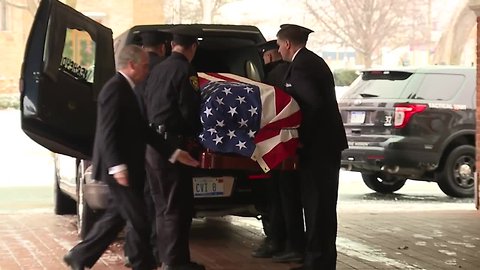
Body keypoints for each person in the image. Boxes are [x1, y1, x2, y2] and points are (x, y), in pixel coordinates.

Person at [62, 44, 200, 270]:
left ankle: (81, 256)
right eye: (145, 66)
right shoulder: (114, 89)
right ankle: (139, 262)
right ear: (132, 65)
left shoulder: (128, 89)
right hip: (118, 168)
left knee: (117, 217)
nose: (148, 70)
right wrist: (117, 167)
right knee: (139, 218)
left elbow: (144, 131)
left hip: (128, 166)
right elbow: (106, 131)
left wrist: (174, 153)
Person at [275, 24, 348, 270]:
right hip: (323, 146)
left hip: (319, 147)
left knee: (318, 207)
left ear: (287, 44)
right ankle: (319, 260)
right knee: (319, 206)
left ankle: (318, 263)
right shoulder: (308, 62)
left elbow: (313, 105)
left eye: (278, 45)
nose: (277, 50)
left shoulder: (303, 65)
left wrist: (301, 138)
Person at [143, 25, 204, 270]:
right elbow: (189, 111)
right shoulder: (185, 70)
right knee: (177, 207)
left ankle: (169, 258)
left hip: (153, 144)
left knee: (162, 206)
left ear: (171, 45)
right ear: (194, 47)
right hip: (174, 146)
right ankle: (176, 263)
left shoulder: (157, 69)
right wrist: (197, 136)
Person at [251, 40, 305, 264]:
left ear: (269, 57)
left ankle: (285, 243)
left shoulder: (272, 77)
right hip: (289, 144)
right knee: (288, 197)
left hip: (277, 146)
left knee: (281, 197)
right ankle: (286, 243)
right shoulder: (292, 72)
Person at [124, 29, 172, 269]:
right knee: (156, 202)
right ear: (164, 46)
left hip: (134, 144)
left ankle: (133, 252)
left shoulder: (131, 71)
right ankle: (154, 252)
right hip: (157, 140)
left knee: (137, 200)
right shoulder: (166, 68)